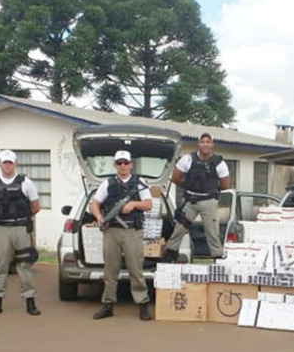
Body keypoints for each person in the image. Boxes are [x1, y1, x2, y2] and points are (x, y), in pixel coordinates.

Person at [90, 150, 154, 321]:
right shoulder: (107, 184)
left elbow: (148, 204)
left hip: (132, 231)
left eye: (126, 162)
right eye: (119, 163)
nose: (123, 166)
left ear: (131, 164)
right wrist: (99, 216)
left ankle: (142, 304)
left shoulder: (139, 183)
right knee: (110, 270)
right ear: (115, 165)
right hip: (112, 231)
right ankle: (108, 304)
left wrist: (133, 204)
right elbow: (94, 203)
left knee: (136, 269)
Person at [0, 150, 41, 317]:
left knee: (24, 264)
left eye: (10, 162)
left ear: (15, 164)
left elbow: (35, 207)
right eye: (4, 162)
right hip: (0, 228)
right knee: (0, 265)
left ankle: (30, 301)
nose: (7, 165)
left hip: (20, 228)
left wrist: (20, 218)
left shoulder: (26, 182)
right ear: (0, 164)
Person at [163, 132, 230, 261]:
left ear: (212, 145)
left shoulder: (219, 163)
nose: (205, 144)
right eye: (202, 141)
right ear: (198, 144)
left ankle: (217, 258)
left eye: (208, 142)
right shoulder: (187, 159)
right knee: (179, 229)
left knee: (213, 232)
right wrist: (189, 186)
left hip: (209, 201)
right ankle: (170, 254)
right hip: (190, 201)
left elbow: (225, 185)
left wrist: (210, 190)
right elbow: (175, 178)